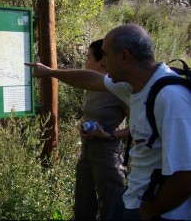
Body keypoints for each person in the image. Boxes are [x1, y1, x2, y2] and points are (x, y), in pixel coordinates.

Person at [25, 23, 191, 220]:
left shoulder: (170, 98)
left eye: (106, 55)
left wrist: (150, 211)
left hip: (161, 212)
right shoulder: (134, 85)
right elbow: (91, 80)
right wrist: (50, 72)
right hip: (134, 197)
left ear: (124, 56)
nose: (103, 63)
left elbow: (186, 175)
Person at [74, 39, 130, 221]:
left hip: (108, 156)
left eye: (89, 57)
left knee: (111, 209)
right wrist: (83, 128)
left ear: (102, 61)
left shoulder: (119, 88)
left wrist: (107, 135)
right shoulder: (94, 86)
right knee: (83, 209)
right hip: (87, 153)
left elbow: (139, 126)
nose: (86, 62)